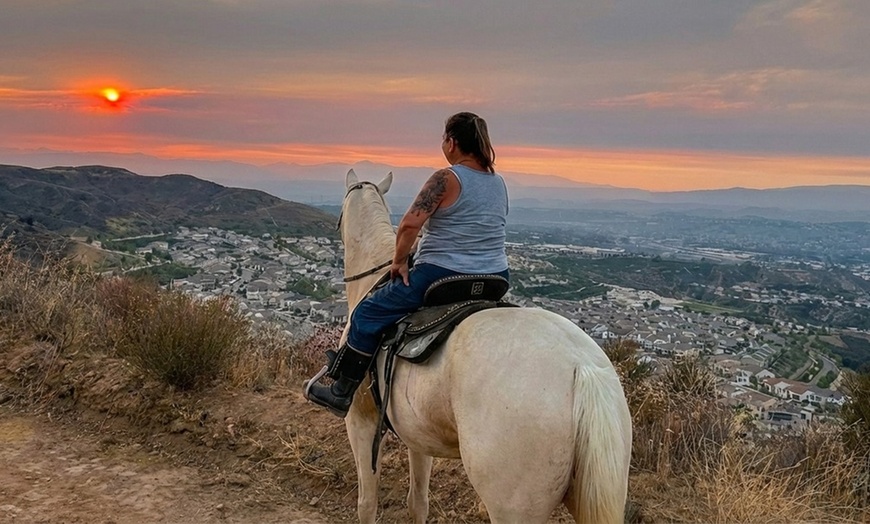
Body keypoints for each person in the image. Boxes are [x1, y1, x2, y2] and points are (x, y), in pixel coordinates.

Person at [307, 112, 510, 417]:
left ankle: (341, 391)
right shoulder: (499, 182)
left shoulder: (446, 178)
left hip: (443, 276)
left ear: (452, 142)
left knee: (367, 312)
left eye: (444, 138)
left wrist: (400, 261)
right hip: (495, 277)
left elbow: (409, 226)